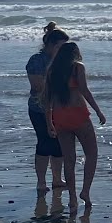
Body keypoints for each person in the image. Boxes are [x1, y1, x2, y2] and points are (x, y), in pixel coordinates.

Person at [43, 41, 106, 208]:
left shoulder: (52, 71)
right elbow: (85, 91)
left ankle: (72, 198)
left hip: (60, 117)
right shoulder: (78, 67)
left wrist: (49, 123)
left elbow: (47, 99)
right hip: (78, 114)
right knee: (91, 153)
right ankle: (85, 190)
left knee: (69, 159)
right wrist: (98, 111)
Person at [26, 23, 69, 192]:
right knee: (44, 143)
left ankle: (58, 179)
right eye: (60, 46)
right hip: (39, 108)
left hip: (60, 108)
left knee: (59, 144)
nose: (62, 50)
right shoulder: (37, 60)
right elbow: (37, 87)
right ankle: (41, 181)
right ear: (50, 44)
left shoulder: (63, 60)